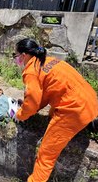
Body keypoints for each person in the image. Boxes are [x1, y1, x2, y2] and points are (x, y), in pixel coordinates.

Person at [13, 38, 98, 182]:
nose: (15, 59)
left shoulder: (31, 71)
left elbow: (32, 103)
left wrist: (20, 114)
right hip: (90, 101)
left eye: (15, 55)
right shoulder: (49, 60)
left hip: (73, 110)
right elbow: (44, 95)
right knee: (52, 114)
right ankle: (89, 122)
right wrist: (31, 106)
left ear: (24, 55)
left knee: (46, 154)